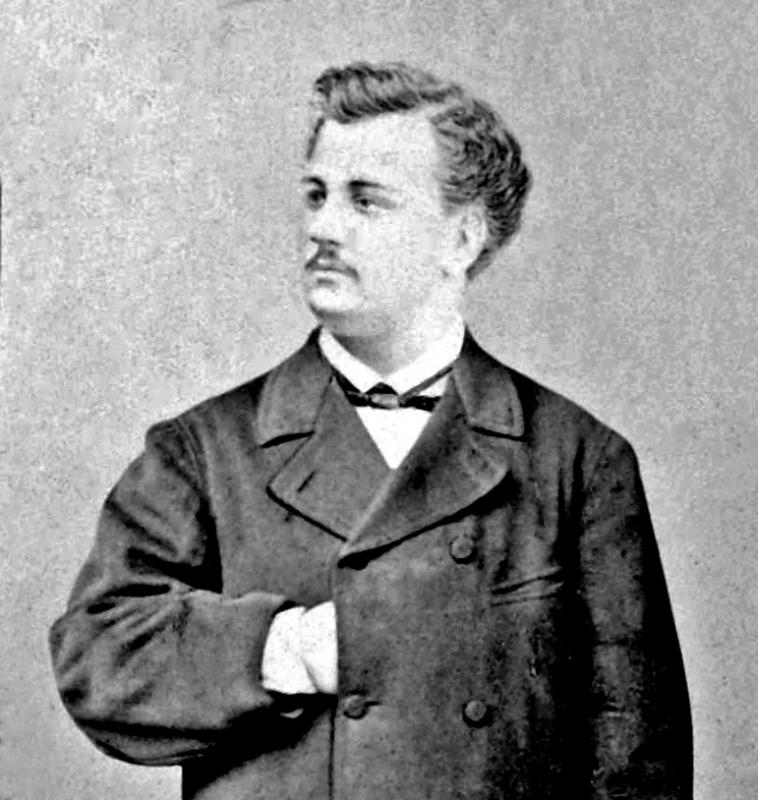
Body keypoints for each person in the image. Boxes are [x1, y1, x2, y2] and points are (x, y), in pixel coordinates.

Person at [50, 61, 692, 800]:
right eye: (316, 195)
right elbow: (97, 656)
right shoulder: (203, 449)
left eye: (366, 200)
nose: (323, 227)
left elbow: (639, 757)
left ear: (462, 238)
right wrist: (286, 650)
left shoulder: (576, 457)